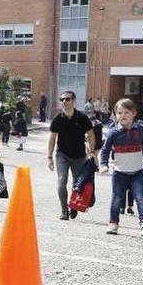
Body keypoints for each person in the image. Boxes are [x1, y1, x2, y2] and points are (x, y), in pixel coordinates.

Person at [99, 98, 143, 236]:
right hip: (120, 173)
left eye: (126, 112)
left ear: (134, 113)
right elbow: (105, 150)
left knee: (140, 196)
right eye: (119, 113)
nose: (122, 115)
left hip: (137, 172)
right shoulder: (113, 132)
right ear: (115, 115)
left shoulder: (140, 129)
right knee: (117, 198)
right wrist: (103, 164)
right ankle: (113, 223)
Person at [47, 91, 96, 220]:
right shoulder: (57, 119)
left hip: (79, 156)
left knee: (78, 184)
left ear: (73, 101)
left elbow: (91, 135)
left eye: (67, 99)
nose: (64, 101)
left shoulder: (82, 118)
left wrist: (91, 152)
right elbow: (52, 139)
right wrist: (49, 157)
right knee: (62, 181)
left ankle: (73, 206)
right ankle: (64, 211)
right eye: (62, 99)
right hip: (62, 155)